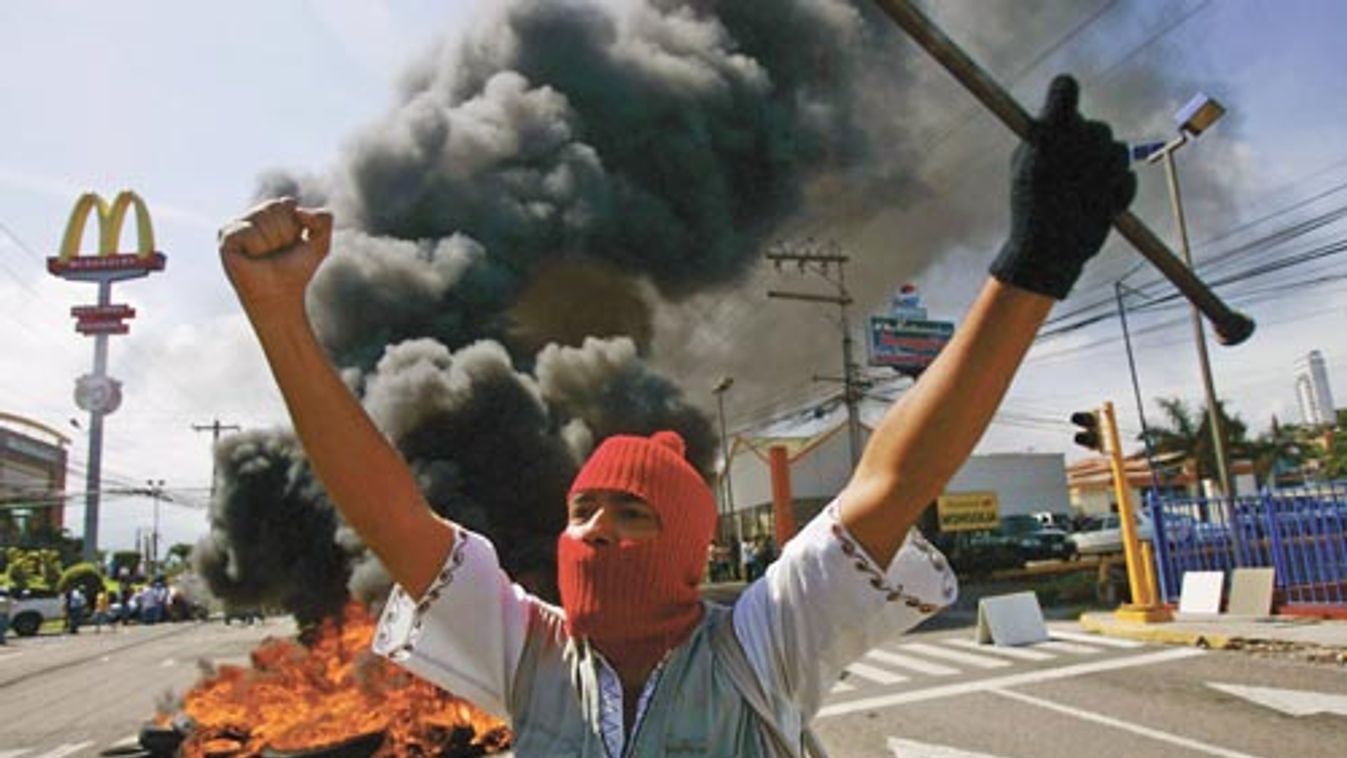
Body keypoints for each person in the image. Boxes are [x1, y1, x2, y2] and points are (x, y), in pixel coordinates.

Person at [218, 75, 1134, 756]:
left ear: (691, 549)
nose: (595, 532)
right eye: (583, 511)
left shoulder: (761, 647)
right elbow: (391, 515)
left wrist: (1031, 268)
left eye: (632, 514)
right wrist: (278, 316)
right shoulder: (525, 651)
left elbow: (890, 480)